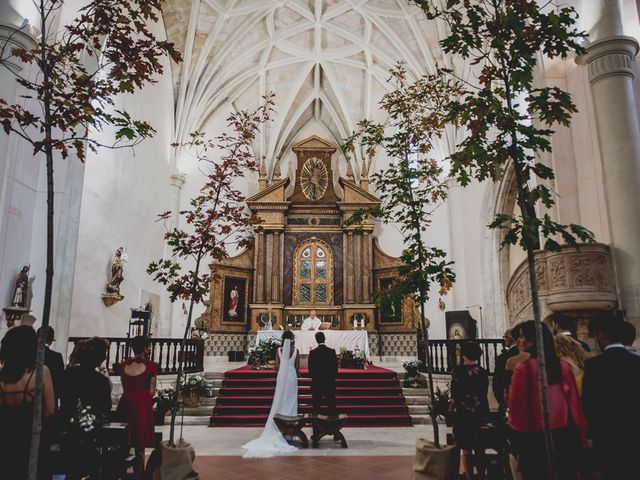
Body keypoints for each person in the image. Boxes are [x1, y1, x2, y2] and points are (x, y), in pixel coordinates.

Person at [508, 321, 586, 480]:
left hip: (533, 437)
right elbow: (573, 404)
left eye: (522, 337)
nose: (519, 341)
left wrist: (516, 433)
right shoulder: (562, 366)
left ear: (533, 340)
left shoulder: (524, 368)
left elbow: (516, 408)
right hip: (563, 433)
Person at [582, 316, 640, 479]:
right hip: (634, 431)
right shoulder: (636, 362)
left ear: (601, 336)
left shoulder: (594, 365)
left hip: (606, 434)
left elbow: (588, 402)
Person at [0, 326, 55, 479]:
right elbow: (50, 411)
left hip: (5, 439)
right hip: (31, 439)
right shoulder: (41, 372)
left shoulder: (2, 376)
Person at [242, 330, 299, 458]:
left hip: (282, 377)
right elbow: (297, 366)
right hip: (292, 377)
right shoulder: (296, 351)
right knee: (292, 399)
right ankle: (291, 428)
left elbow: (277, 367)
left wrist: (283, 369)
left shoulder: (279, 351)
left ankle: (280, 425)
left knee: (280, 398)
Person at [116, 335, 157, 477]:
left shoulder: (123, 365)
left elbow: (124, 384)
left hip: (126, 402)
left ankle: (120, 473)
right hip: (142, 404)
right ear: (145, 348)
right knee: (140, 444)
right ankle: (140, 475)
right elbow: (152, 391)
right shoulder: (151, 365)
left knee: (124, 443)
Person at [450, 342, 489, 480]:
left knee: (466, 449)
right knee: (480, 448)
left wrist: (450, 410)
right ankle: (482, 476)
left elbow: (454, 394)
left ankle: (469, 476)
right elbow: (483, 393)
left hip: (463, 413)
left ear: (464, 354)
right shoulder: (483, 372)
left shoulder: (457, 371)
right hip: (479, 411)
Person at [63, 337, 112, 420]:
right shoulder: (101, 380)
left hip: (70, 421)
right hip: (92, 423)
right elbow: (106, 407)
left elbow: (65, 401)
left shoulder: (69, 374)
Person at [308, 331, 338, 443]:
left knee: (316, 409)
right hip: (329, 384)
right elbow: (335, 369)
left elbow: (310, 371)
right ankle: (335, 432)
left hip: (317, 384)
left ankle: (316, 433)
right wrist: (330, 378)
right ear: (324, 339)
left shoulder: (313, 352)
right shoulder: (332, 351)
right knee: (332, 407)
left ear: (316, 340)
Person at [37, 325, 65, 411]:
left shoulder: (29, 354)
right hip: (51, 397)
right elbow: (61, 381)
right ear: (51, 340)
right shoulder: (56, 357)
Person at [492, 328, 519, 412]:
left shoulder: (502, 358)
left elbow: (497, 382)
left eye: (505, 337)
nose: (504, 340)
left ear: (509, 338)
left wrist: (501, 401)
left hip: (506, 400)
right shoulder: (526, 355)